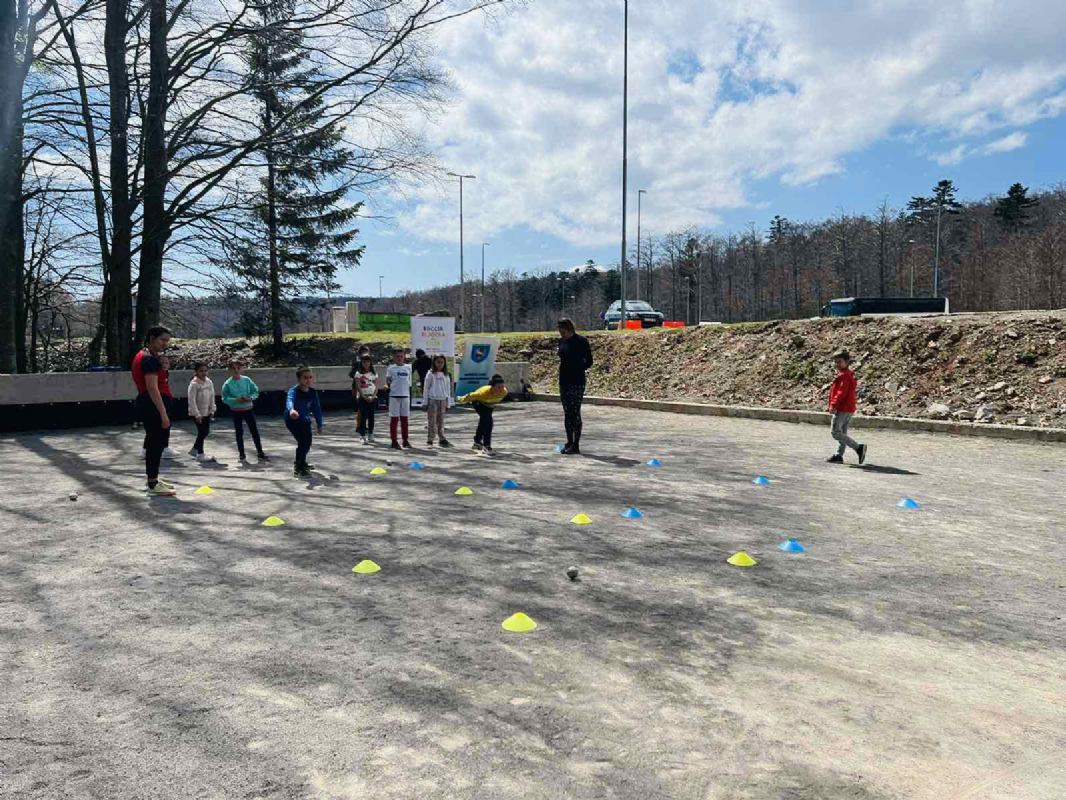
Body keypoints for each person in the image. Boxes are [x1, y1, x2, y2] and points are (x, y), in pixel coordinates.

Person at [131, 326, 176, 495]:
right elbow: (152, 388)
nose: (165, 344)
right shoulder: (148, 359)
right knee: (155, 444)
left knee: (155, 443)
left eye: (167, 341)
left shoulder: (149, 356)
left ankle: (154, 478)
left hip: (151, 403)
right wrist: (163, 413)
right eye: (162, 340)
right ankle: (152, 483)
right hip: (152, 404)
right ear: (152, 337)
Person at [556, 318, 593, 454]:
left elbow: (589, 361)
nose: (561, 333)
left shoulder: (581, 341)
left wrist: (578, 368)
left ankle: (576, 444)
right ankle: (569, 441)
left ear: (569, 328)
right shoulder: (561, 342)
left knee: (575, 412)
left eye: (563, 330)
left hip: (577, 381)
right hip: (564, 380)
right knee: (567, 412)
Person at [221, 359, 269, 463]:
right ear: (229, 370)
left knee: (254, 431)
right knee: (239, 432)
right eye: (233, 368)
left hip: (248, 409)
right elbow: (224, 398)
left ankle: (260, 452)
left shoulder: (247, 380)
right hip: (236, 410)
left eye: (238, 368)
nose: (236, 370)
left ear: (241, 369)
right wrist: (235, 400)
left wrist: (250, 397)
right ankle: (241, 454)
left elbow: (255, 391)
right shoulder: (227, 384)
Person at [827, 349, 867, 465]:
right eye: (835, 362)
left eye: (839, 361)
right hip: (848, 408)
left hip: (842, 408)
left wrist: (833, 405)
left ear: (847, 362)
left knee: (835, 432)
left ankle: (858, 447)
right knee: (842, 433)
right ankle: (839, 455)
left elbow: (841, 393)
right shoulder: (848, 374)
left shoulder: (844, 376)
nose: (836, 364)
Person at [286, 366, 324, 478]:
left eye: (310, 377)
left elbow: (317, 409)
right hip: (292, 419)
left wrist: (319, 424)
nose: (308, 380)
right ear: (299, 379)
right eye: (305, 378)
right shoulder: (294, 391)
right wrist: (291, 410)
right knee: (303, 443)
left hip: (305, 419)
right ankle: (298, 467)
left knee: (307, 443)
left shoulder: (312, 392)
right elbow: (289, 400)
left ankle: (302, 462)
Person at [457, 374, 508, 455]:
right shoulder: (483, 392)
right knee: (489, 423)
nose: (501, 389)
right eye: (498, 387)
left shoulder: (504, 392)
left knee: (484, 422)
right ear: (492, 387)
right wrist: (459, 399)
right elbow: (470, 395)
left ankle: (477, 442)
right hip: (478, 403)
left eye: (502, 387)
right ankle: (487, 446)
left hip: (489, 406)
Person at [141, 354, 179, 459]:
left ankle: (163, 447)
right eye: (162, 363)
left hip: (166, 399)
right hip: (161, 399)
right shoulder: (157, 373)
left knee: (165, 426)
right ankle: (150, 449)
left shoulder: (166, 373)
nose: (164, 365)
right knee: (157, 426)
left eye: (166, 363)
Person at [186, 362, 217, 462]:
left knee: (205, 431)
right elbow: (191, 400)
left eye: (205, 371)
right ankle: (200, 453)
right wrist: (197, 414)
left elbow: (212, 396)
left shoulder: (209, 382)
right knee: (202, 431)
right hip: (198, 412)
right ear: (196, 372)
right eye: (201, 371)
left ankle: (195, 449)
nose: (203, 373)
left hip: (206, 411)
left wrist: (212, 409)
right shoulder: (194, 384)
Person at [385, 347, 413, 450]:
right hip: (394, 396)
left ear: (404, 357)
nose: (399, 358)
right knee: (394, 419)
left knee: (404, 420)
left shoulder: (408, 367)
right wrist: (387, 387)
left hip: (405, 396)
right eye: (397, 357)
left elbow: (410, 381)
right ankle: (394, 440)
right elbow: (388, 381)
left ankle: (405, 440)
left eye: (401, 356)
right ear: (394, 357)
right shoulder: (391, 368)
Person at [423, 354, 452, 447]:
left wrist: (448, 402)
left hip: (442, 400)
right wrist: (425, 402)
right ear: (434, 363)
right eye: (438, 362)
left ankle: (441, 438)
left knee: (441, 421)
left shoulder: (446, 374)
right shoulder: (430, 373)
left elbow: (448, 389)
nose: (440, 364)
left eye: (442, 362)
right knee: (432, 421)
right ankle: (430, 439)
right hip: (433, 400)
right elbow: (426, 388)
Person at [353, 353, 378, 444]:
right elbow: (358, 386)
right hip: (363, 397)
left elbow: (376, 385)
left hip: (372, 397)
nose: (366, 363)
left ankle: (371, 434)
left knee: (371, 417)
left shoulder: (373, 373)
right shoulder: (358, 373)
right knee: (363, 417)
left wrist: (374, 395)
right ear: (361, 363)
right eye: (364, 362)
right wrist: (363, 396)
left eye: (368, 361)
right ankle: (362, 435)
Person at [350, 345, 372, 432]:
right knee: (360, 408)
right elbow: (351, 374)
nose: (366, 354)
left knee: (367, 408)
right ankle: (359, 426)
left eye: (367, 352)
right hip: (357, 387)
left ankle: (363, 425)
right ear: (360, 354)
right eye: (364, 352)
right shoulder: (356, 363)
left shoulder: (370, 363)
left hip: (367, 387)